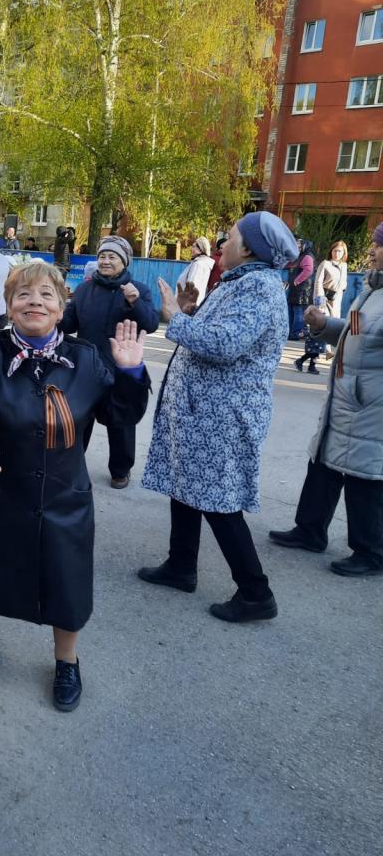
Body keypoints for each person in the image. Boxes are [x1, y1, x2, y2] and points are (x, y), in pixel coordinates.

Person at [0, 260, 150, 711]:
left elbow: (120, 416)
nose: (35, 301)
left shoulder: (87, 358)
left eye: (46, 295)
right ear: (10, 306)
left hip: (63, 497)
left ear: (60, 307)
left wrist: (130, 374)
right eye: (23, 294)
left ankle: (66, 661)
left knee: (66, 584)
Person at [139, 210, 299, 623]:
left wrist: (176, 316)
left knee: (220, 500)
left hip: (224, 416)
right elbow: (212, 336)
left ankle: (255, 592)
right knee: (186, 483)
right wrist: (191, 313)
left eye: (228, 238)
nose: (221, 244)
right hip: (204, 412)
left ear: (249, 249)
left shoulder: (259, 290)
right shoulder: (241, 282)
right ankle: (180, 565)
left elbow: (224, 345)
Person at [270, 224, 383, 577]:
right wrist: (323, 324)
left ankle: (371, 552)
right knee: (323, 463)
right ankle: (310, 530)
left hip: (371, 404)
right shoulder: (372, 291)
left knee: (366, 477)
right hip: (347, 395)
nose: (372, 251)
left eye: (378, 247)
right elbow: (356, 331)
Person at [61, 236, 159, 489]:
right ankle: (72, 466)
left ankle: (120, 470)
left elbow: (150, 324)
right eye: (102, 256)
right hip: (86, 367)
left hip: (120, 368)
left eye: (112, 257)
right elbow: (69, 325)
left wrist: (134, 302)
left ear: (124, 261)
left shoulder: (137, 289)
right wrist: (54, 312)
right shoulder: (84, 289)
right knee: (79, 419)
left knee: (121, 422)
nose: (105, 261)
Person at [286, 239, 316, 339]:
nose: (297, 248)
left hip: (302, 290)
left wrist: (296, 281)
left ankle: (295, 333)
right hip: (295, 289)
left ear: (305, 246)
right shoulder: (298, 256)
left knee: (298, 311)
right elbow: (288, 266)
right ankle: (290, 333)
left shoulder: (307, 256)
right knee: (292, 310)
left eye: (299, 246)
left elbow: (308, 270)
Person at [313, 240, 348, 319]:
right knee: (324, 324)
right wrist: (320, 302)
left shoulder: (344, 266)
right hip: (324, 300)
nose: (337, 253)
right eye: (335, 250)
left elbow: (343, 283)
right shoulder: (325, 264)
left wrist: (342, 288)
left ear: (343, 253)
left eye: (339, 251)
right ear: (331, 251)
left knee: (335, 324)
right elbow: (318, 283)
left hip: (337, 300)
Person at [176, 237, 215, 305]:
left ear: (200, 249)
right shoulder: (203, 263)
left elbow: (192, 286)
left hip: (187, 305)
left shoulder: (198, 264)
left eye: (194, 247)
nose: (191, 249)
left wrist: (186, 305)